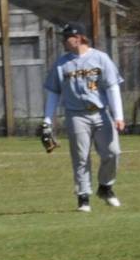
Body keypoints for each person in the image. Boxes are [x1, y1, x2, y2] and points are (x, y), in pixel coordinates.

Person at [42, 22, 125, 212]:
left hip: (101, 112)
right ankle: (83, 197)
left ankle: (105, 187)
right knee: (80, 157)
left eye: (66, 38)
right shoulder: (61, 63)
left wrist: (118, 116)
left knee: (113, 152)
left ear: (78, 38)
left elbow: (112, 87)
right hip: (76, 115)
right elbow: (54, 92)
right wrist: (47, 120)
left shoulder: (100, 58)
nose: (63, 41)